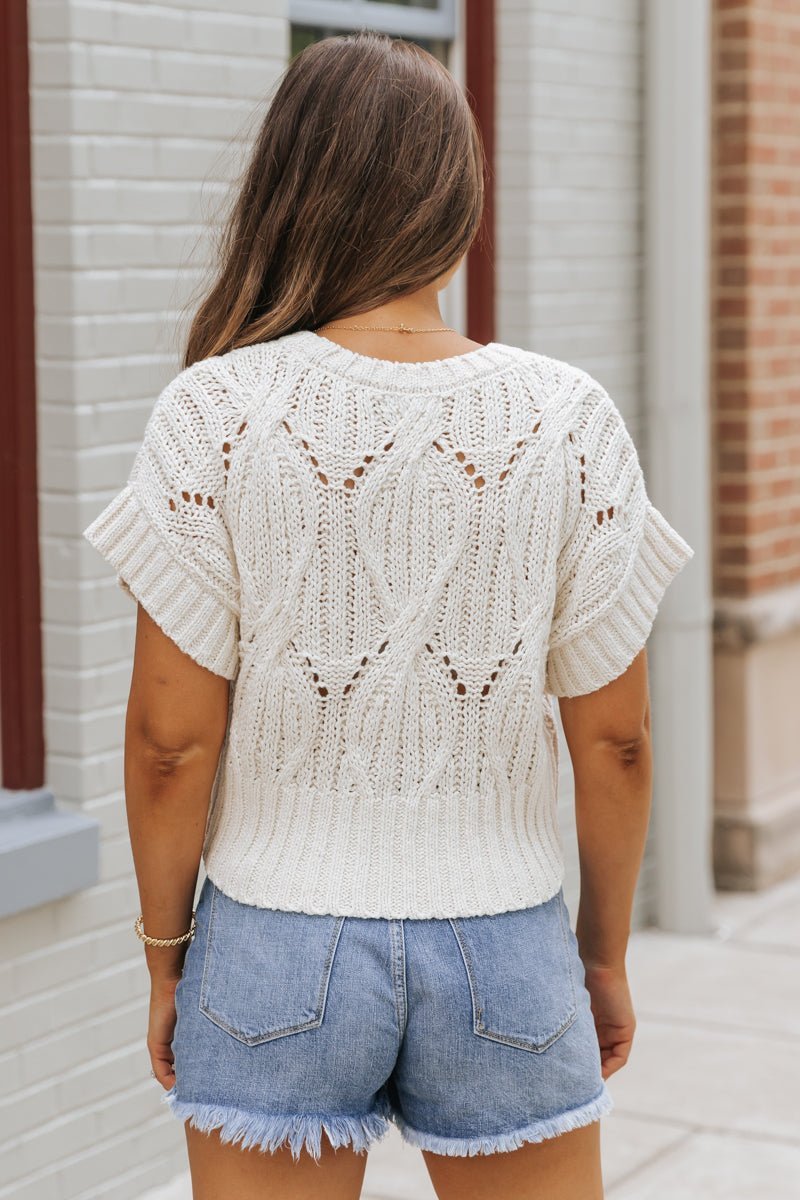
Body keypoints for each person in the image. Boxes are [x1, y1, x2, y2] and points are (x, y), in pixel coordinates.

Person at [82, 28, 695, 1200]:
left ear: (286, 190)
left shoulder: (212, 414)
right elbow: (613, 739)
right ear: (455, 203)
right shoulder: (565, 418)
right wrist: (601, 956)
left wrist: (167, 960)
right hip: (507, 940)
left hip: (269, 945)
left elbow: (170, 745)